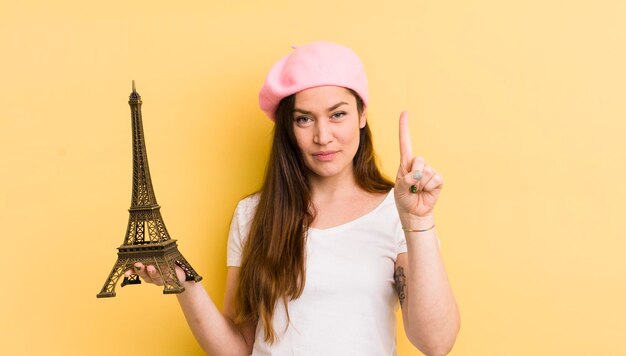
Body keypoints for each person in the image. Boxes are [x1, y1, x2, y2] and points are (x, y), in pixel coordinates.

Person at [129, 41, 460, 355]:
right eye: (304, 119)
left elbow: (436, 343)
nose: (323, 136)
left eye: (338, 114)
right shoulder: (253, 214)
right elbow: (238, 348)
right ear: (288, 128)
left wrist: (418, 221)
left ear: (362, 116)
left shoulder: (396, 212)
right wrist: (185, 284)